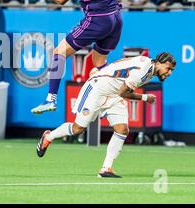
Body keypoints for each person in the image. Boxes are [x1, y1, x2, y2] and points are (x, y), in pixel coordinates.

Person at [31, 0, 159, 114]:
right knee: (99, 64)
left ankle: (50, 100)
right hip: (116, 19)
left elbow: (60, 0)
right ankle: (110, 99)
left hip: (97, 20)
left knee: (59, 52)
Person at [36, 52, 176, 178]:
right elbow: (124, 92)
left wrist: (105, 69)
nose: (169, 73)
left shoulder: (147, 63)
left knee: (122, 129)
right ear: (159, 62)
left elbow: (123, 61)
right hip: (97, 89)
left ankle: (106, 168)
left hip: (113, 94)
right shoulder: (144, 70)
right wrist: (145, 98)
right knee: (78, 129)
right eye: (168, 68)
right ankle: (48, 136)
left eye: (171, 70)